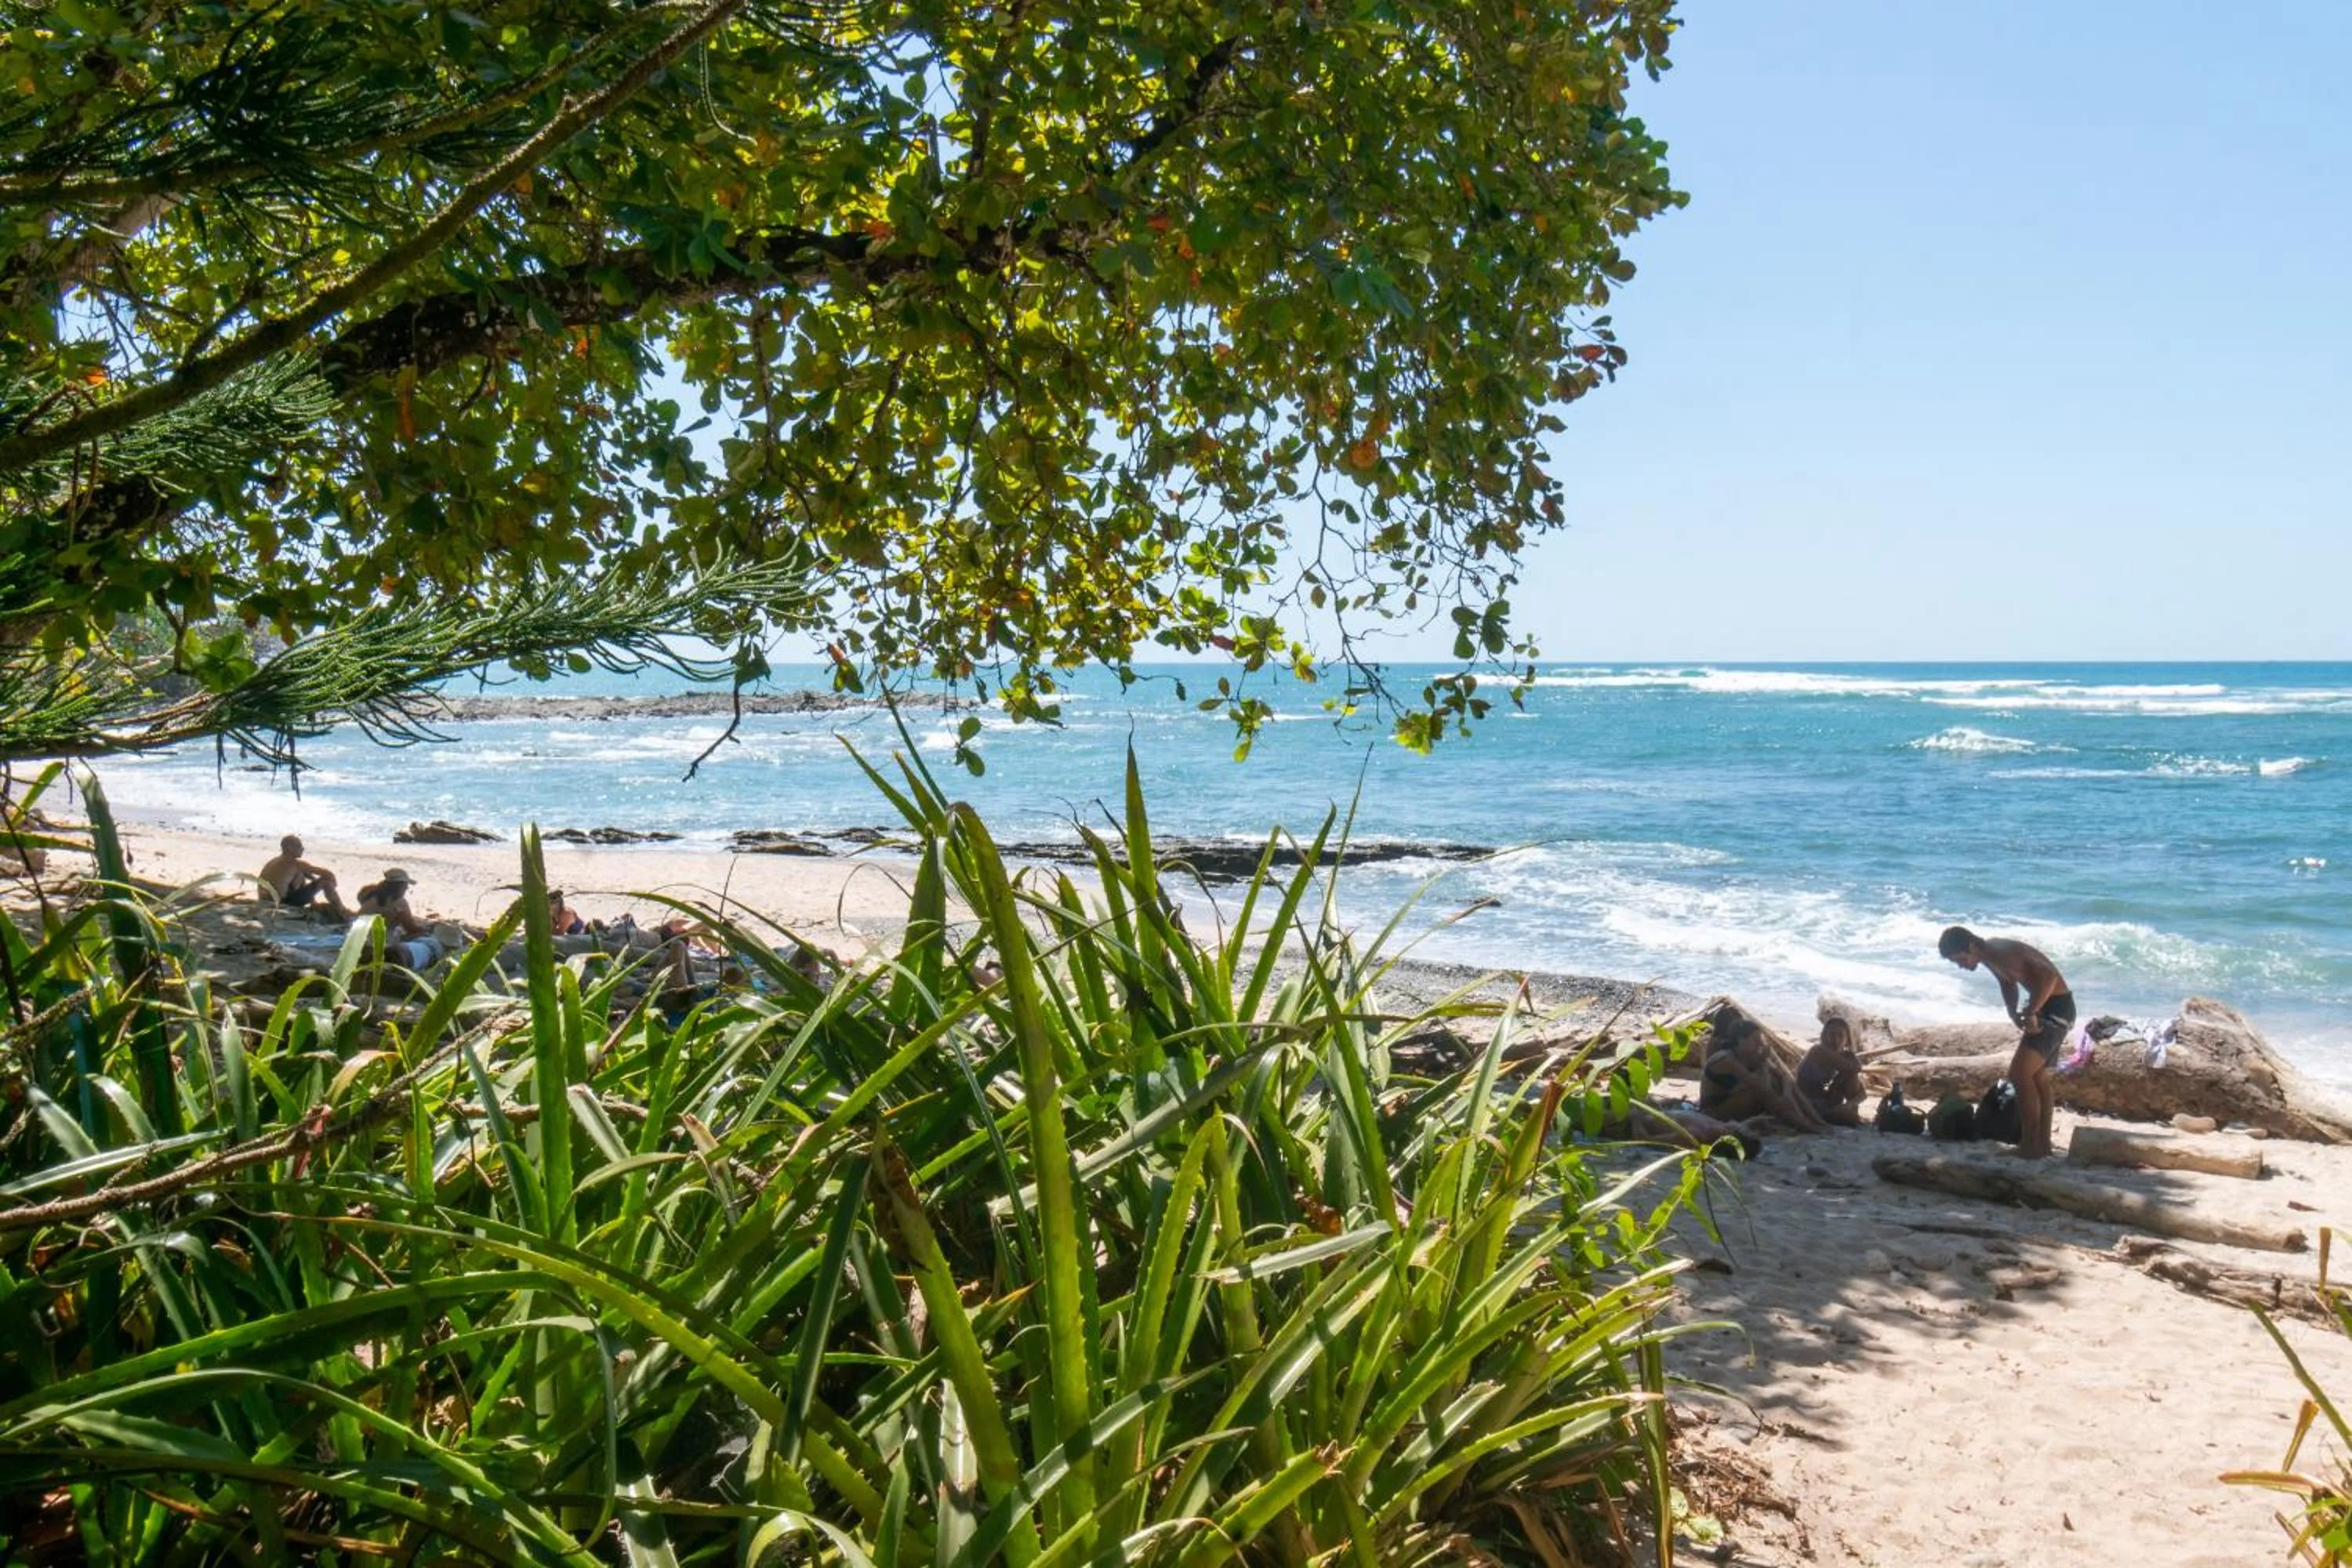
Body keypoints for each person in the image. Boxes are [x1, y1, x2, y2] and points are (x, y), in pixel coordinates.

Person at [1939, 925, 2074, 1159]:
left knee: (2020, 1076)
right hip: (2051, 1009)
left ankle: (2030, 1146)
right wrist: (2012, 1011)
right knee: (2037, 1077)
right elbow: (2008, 982)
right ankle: (2042, 1146)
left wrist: (2032, 1011)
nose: (1961, 965)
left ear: (1972, 946)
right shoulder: (1989, 955)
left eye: (1960, 959)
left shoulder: (2001, 953)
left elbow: (2049, 978)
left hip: (2056, 1011)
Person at [1698, 1017, 1835, 1134]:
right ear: (1741, 1041)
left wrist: (1786, 1094)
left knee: (1782, 1083)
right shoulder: (1726, 1059)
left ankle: (1817, 1121)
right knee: (1763, 1092)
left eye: (1760, 1040)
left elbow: (1784, 1077)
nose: (1760, 1044)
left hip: (1733, 1104)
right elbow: (1762, 1089)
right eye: (1755, 1040)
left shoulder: (1749, 1055)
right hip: (1713, 1112)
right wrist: (1763, 1062)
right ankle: (1807, 1126)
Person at [1796, 1016, 1867, 1127]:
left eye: (1840, 1036)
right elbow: (1856, 1068)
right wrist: (1851, 1055)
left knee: (1850, 1076)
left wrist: (1848, 1105)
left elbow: (1862, 1093)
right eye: (1832, 1035)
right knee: (1848, 1118)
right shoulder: (1818, 1050)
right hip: (1807, 1103)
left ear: (1847, 1039)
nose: (1836, 1040)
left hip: (1823, 1099)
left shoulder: (1840, 1057)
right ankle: (1848, 1114)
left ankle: (1851, 1113)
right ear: (1824, 1036)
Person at [257, 834, 348, 918]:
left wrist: (312, 881)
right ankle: (341, 911)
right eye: (299, 846)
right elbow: (328, 874)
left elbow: (306, 876)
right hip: (283, 903)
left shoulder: (275, 861)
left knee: (302, 875)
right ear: (289, 848)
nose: (302, 849)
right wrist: (332, 885)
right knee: (325, 881)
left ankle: (315, 904)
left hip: (266, 901)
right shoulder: (294, 863)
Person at [354, 868, 430, 939]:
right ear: (400, 886)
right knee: (427, 940)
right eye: (406, 886)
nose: (407, 889)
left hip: (356, 936)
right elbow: (411, 928)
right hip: (376, 941)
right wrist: (425, 930)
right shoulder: (399, 903)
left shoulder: (369, 895)